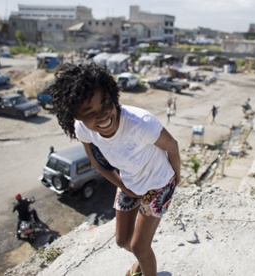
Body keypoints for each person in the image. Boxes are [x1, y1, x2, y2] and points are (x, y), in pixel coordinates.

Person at [48, 63, 181, 276]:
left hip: (159, 183)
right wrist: (122, 185)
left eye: (105, 104)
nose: (103, 115)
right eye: (90, 112)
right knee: (122, 240)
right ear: (77, 116)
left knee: (138, 245)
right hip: (129, 181)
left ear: (113, 96)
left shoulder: (141, 123)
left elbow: (172, 146)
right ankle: (143, 259)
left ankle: (144, 265)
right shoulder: (82, 128)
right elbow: (95, 158)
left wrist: (176, 179)